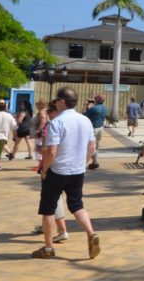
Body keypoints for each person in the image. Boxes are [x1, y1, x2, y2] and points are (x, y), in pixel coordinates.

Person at [32, 87, 100, 260]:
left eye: (56, 100)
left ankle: (48, 247)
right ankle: (91, 233)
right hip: (77, 171)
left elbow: (51, 151)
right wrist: (82, 163)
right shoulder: (85, 120)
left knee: (48, 208)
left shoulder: (57, 122)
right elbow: (92, 148)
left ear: (62, 102)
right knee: (77, 204)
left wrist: (45, 170)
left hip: (57, 170)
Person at [32, 102, 69, 243]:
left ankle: (61, 230)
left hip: (52, 166)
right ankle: (55, 228)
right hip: (67, 166)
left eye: (49, 112)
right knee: (57, 199)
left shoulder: (53, 125)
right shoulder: (69, 123)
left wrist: (44, 169)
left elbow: (49, 150)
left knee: (52, 200)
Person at [84, 95, 107, 169]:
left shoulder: (94, 108)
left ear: (96, 100)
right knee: (96, 145)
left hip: (93, 129)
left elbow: (84, 115)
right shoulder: (104, 108)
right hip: (101, 127)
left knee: (90, 146)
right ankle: (94, 161)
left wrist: (87, 107)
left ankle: (94, 161)